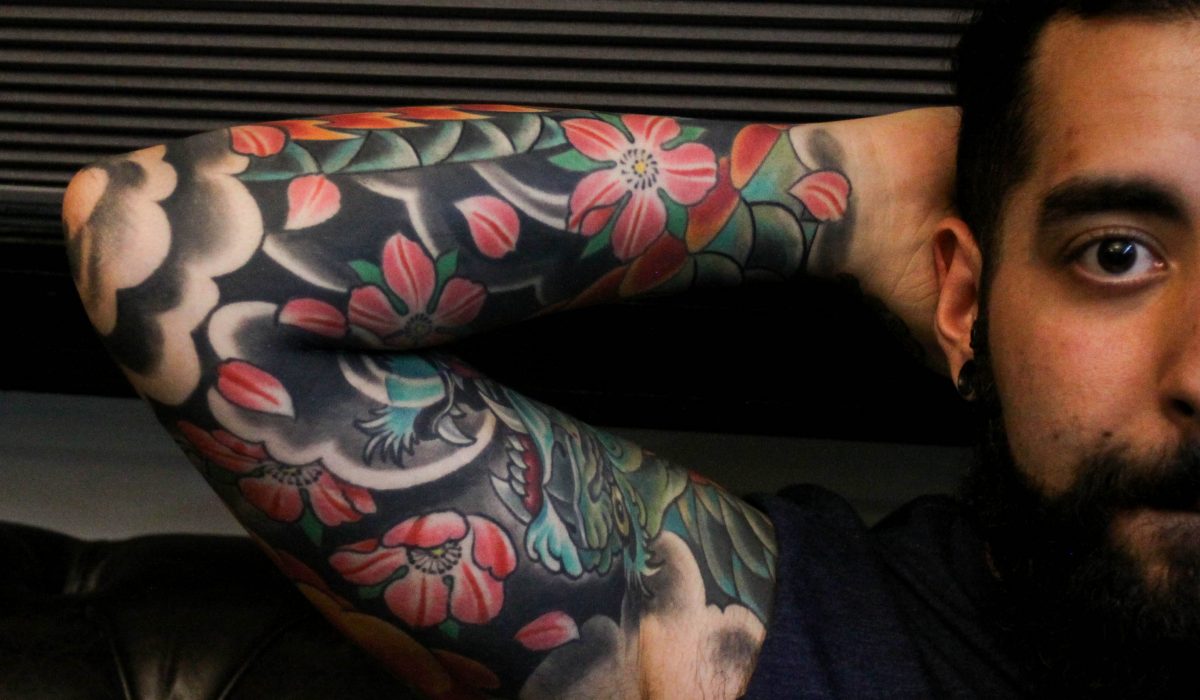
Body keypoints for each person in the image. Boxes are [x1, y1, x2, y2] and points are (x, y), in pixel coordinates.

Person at [59, 0, 1200, 696]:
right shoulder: (756, 637)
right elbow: (171, 255)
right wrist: (841, 188)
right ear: (966, 301)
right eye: (1116, 253)